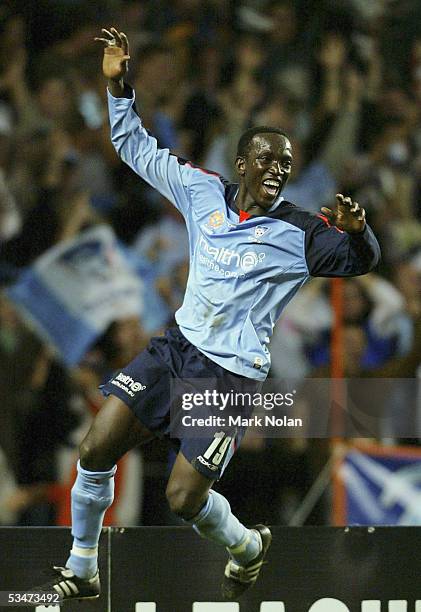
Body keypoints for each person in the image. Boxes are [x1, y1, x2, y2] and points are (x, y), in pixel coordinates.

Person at [33, 26, 380, 603]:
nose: (277, 169)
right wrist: (119, 90)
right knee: (95, 448)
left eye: (286, 163)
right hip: (175, 349)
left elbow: (360, 262)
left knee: (183, 498)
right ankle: (82, 565)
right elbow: (135, 147)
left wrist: (360, 233)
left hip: (229, 377)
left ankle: (246, 545)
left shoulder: (301, 231)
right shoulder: (200, 189)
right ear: (241, 161)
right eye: (267, 158)